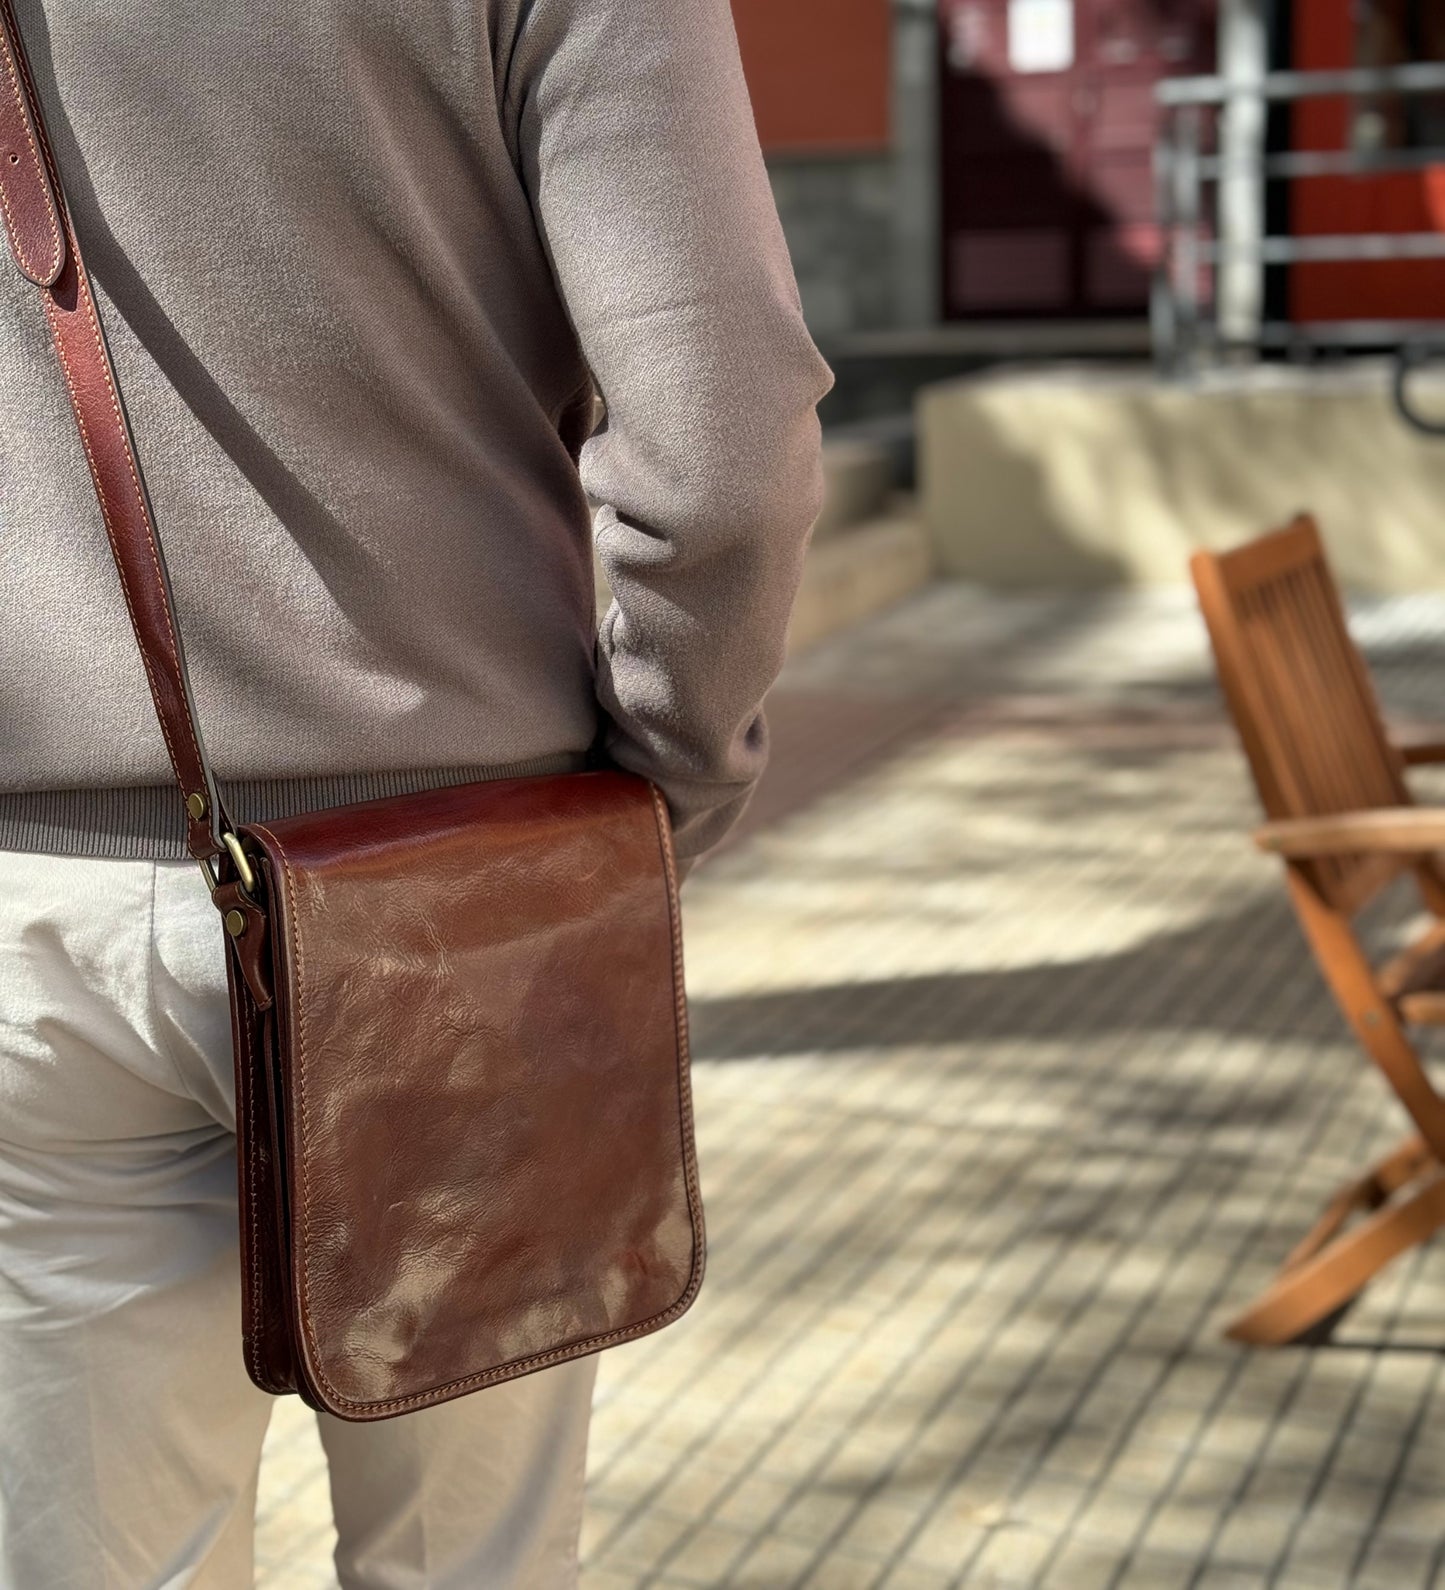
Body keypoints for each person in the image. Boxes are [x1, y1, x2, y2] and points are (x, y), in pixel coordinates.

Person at [0, 0, 831, 1583]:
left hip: (36, 915)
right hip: (463, 908)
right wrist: (660, 791)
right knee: (474, 1561)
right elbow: (723, 438)